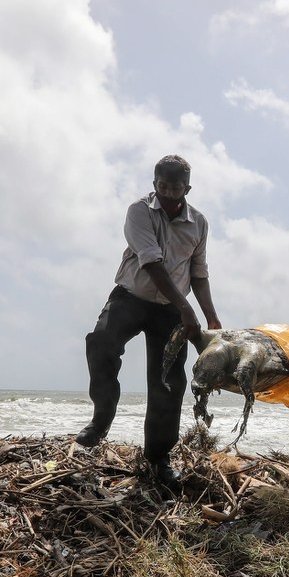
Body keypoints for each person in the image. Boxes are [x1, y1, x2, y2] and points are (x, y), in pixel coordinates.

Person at [77, 155, 222, 484]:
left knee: (167, 383)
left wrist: (211, 316)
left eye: (176, 188)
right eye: (163, 186)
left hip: (169, 310)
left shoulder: (199, 223)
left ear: (187, 189)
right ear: (155, 184)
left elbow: (199, 273)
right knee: (101, 342)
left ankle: (158, 458)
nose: (168, 193)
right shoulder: (139, 211)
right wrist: (186, 308)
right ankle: (101, 418)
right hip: (130, 297)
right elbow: (152, 263)